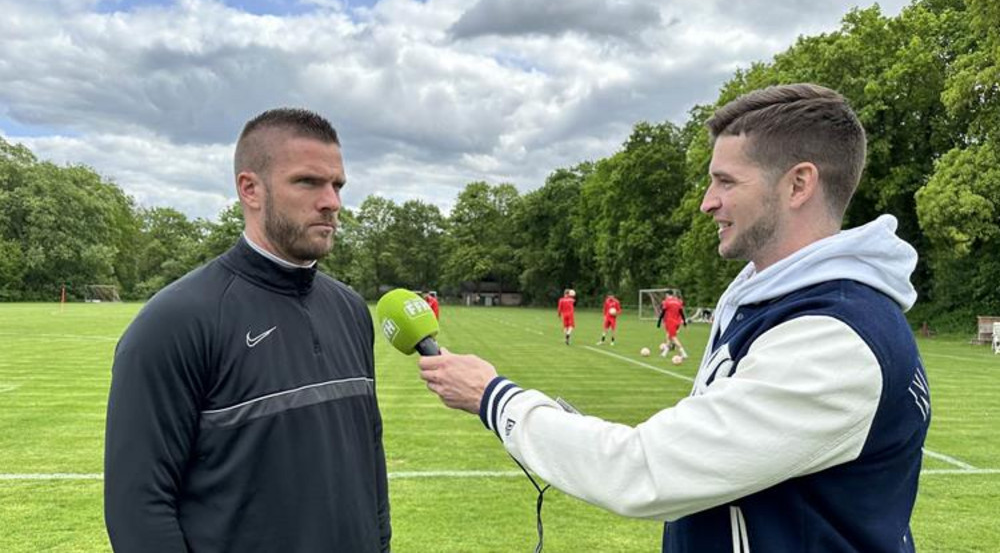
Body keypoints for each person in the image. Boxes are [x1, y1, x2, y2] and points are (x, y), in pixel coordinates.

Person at [417, 84, 930, 551]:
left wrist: (493, 397)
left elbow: (642, 471)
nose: (708, 203)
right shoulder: (773, 301)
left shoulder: (834, 339)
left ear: (798, 185)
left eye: (725, 181)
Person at [105, 108, 391, 552]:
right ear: (250, 189)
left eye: (337, 185)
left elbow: (369, 461)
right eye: (308, 182)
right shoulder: (174, 323)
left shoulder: (351, 311)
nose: (332, 202)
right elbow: (138, 506)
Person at [656, 293, 688, 360]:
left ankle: (683, 353)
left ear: (668, 295)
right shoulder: (678, 302)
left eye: (666, 296)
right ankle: (664, 353)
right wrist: (684, 321)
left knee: (673, 338)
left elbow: (663, 312)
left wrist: (659, 321)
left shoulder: (667, 302)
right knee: (668, 336)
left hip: (670, 322)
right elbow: (681, 312)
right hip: (677, 322)